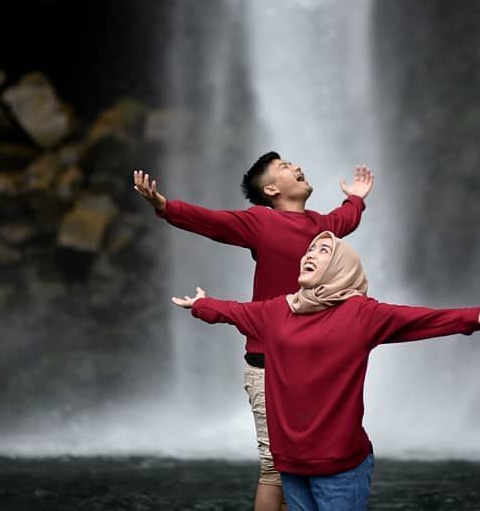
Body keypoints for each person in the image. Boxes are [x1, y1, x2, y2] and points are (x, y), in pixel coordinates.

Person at [171, 230, 480, 511]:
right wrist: (201, 304)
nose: (310, 254)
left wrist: (475, 316)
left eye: (323, 251)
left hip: (340, 465)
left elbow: (421, 319)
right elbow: (231, 311)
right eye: (309, 250)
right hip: (291, 461)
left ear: (343, 268)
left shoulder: (362, 314)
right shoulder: (275, 311)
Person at [133, 154, 374, 511]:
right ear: (272, 189)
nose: (295, 166)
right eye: (284, 167)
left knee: (300, 463)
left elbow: (345, 219)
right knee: (275, 467)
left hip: (311, 367)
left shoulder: (321, 228)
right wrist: (164, 205)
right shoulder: (261, 222)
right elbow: (213, 222)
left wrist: (356, 197)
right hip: (268, 363)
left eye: (292, 163)